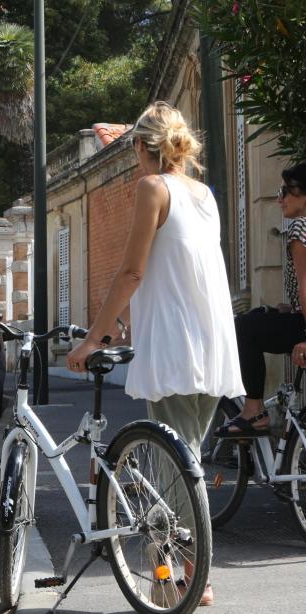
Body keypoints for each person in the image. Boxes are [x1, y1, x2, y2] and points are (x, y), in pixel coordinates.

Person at [67, 102, 245, 607]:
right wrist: (128, 321)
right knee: (186, 459)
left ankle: (186, 581)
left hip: (174, 344)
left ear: (143, 149)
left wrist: (93, 339)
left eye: (133, 153)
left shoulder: (152, 188)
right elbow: (184, 269)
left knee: (173, 468)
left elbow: (132, 272)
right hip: (212, 342)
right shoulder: (203, 193)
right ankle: (191, 574)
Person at [224, 163, 306, 435]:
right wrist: (290, 307)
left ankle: (254, 410)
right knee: (259, 318)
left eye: (285, 191)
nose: (279, 198)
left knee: (243, 329)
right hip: (298, 315)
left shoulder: (299, 229)